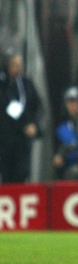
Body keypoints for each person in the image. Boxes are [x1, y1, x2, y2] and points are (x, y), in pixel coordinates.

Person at [0, 54, 43, 183]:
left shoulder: (27, 84)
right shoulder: (3, 86)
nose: (17, 68)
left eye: (20, 65)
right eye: (14, 65)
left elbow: (38, 107)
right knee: (6, 176)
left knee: (21, 173)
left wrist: (34, 125)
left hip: (22, 140)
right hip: (5, 140)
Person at [53, 86, 78, 179]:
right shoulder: (61, 129)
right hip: (70, 168)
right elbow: (57, 155)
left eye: (77, 102)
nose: (74, 106)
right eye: (71, 102)